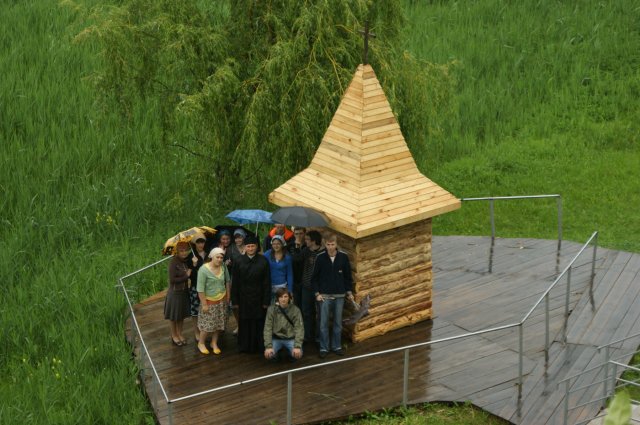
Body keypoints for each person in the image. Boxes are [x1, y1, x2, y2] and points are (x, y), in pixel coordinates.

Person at [311, 233, 354, 358]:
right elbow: (314, 278)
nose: (330, 247)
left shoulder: (343, 257)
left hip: (339, 295)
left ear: (336, 244)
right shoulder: (320, 257)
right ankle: (324, 348)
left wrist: (349, 292)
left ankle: (337, 346)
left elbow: (347, 277)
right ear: (325, 244)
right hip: (324, 296)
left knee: (337, 323)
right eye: (328, 244)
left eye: (332, 244)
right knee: (323, 323)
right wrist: (317, 294)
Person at [231, 235, 271, 353]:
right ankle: (244, 346)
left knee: (259, 322)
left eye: (252, 246)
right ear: (245, 247)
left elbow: (267, 282)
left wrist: (266, 300)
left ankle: (258, 346)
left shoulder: (263, 261)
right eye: (248, 246)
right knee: (244, 322)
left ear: (257, 246)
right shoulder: (238, 261)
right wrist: (235, 300)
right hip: (243, 297)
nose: (250, 248)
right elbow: (235, 282)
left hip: (259, 297)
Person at [196, 247, 230, 355]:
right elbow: (200, 289)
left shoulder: (223, 266)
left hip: (222, 300)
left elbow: (227, 281)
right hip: (209, 301)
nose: (219, 259)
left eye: (221, 257)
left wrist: (228, 296)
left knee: (219, 323)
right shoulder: (203, 270)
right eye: (217, 257)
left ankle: (214, 343)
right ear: (211, 257)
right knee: (207, 325)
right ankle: (201, 343)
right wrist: (204, 304)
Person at [263, 288, 304, 362]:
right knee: (269, 355)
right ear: (277, 298)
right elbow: (267, 328)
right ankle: (277, 355)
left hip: (290, 338)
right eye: (281, 297)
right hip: (276, 338)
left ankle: (289, 354)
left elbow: (299, 329)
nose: (283, 299)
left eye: (285, 296)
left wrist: (297, 346)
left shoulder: (295, 310)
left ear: (289, 298)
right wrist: (268, 346)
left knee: (298, 355)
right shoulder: (271, 309)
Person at [298, 230, 324, 343]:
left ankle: (319, 338)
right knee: (307, 312)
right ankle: (308, 336)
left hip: (319, 289)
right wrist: (298, 247)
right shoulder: (305, 251)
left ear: (313, 241)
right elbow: (296, 259)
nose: (305, 241)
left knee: (320, 314)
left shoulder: (323, 253)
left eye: (307, 239)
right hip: (306, 286)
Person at [164, 241, 192, 346]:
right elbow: (172, 280)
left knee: (181, 315)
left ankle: (180, 334)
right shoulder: (173, 262)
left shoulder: (186, 261)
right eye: (181, 251)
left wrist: (193, 265)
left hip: (184, 292)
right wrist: (186, 276)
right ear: (177, 252)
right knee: (173, 316)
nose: (184, 253)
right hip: (175, 293)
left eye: (186, 250)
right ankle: (174, 335)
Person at [227, 228, 247, 335]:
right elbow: (226, 263)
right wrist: (227, 263)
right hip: (234, 278)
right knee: (234, 304)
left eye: (240, 237)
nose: (238, 240)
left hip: (247, 279)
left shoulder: (249, 247)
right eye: (236, 238)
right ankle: (239, 324)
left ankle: (246, 325)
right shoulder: (231, 248)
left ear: (244, 237)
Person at [263, 234, 294, 302]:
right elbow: (259, 260)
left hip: (282, 287)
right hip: (269, 286)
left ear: (282, 244)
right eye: (274, 244)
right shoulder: (267, 254)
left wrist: (290, 289)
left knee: (281, 306)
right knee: (270, 306)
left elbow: (289, 274)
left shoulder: (287, 257)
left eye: (278, 244)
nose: (276, 246)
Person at [189, 234, 207, 342]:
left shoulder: (208, 254)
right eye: (198, 242)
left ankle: (205, 330)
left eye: (202, 242)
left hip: (207, 287)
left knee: (206, 309)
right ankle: (196, 332)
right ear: (194, 244)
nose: (201, 244)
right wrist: (194, 265)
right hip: (195, 287)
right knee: (195, 311)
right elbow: (189, 276)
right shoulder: (191, 257)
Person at [288, 227, 306, 306]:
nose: (298, 236)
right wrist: (296, 247)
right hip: (294, 278)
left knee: (305, 305)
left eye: (301, 233)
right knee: (296, 303)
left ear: (304, 234)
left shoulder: (307, 245)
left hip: (305, 278)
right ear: (294, 234)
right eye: (296, 234)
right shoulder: (290, 246)